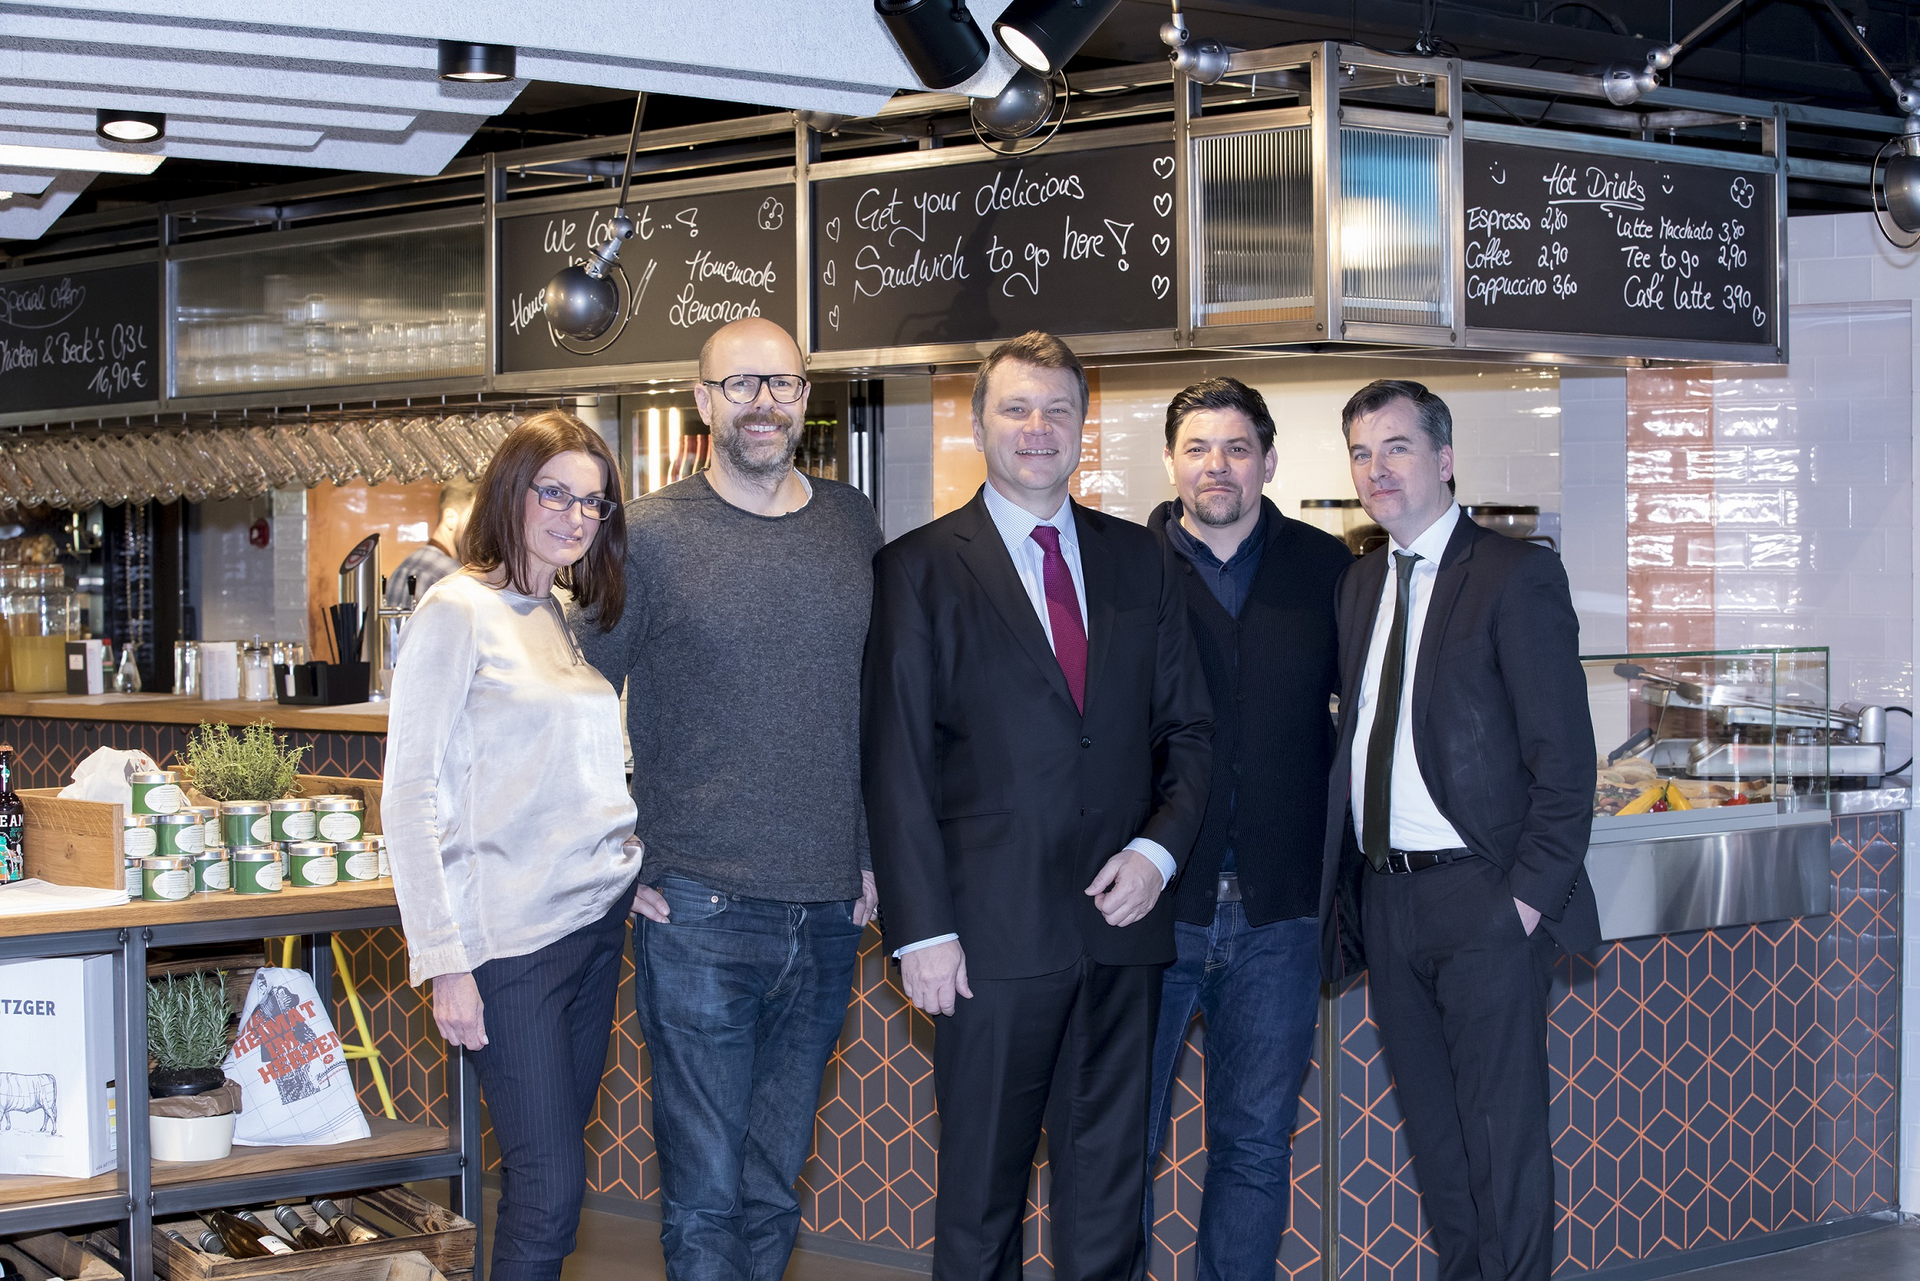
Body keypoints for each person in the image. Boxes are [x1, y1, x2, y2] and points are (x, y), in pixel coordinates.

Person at [864, 331, 1213, 1281]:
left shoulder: (1143, 559)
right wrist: (921, 930)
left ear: (1082, 426)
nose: (1038, 426)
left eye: (1059, 408)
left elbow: (1189, 732)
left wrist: (1158, 853)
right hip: (986, 941)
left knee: (1109, 1203)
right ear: (979, 423)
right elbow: (896, 762)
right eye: (1016, 407)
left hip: (1121, 927)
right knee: (981, 1204)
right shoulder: (917, 568)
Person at [574, 316, 882, 1281]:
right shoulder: (648, 535)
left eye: (781, 384)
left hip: (828, 907)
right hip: (700, 907)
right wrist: (619, 851)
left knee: (772, 1188)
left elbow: (876, 701)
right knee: (706, 1199)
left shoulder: (852, 522)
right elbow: (572, 700)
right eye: (740, 384)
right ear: (703, 400)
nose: (763, 403)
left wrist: (868, 854)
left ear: (805, 399)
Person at [1318, 380, 1598, 1281]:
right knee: (1439, 1147)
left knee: (1500, 1147)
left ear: (1444, 459)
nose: (1377, 469)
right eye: (1362, 453)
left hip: (1483, 899)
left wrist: (1523, 904)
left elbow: (1566, 763)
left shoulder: (1514, 575)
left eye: (1396, 447)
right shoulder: (1359, 583)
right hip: (1387, 900)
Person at [383, 410, 642, 1281]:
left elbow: (567, 773)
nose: (575, 516)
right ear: (511, 491)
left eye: (593, 502)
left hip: (591, 931)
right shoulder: (455, 610)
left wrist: (624, 866)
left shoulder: (557, 612)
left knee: (552, 1184)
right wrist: (443, 961)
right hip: (510, 946)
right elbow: (408, 795)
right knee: (548, 1190)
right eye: (554, 493)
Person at [1143, 377, 1350, 1278]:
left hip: (1281, 912)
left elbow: (1376, 712)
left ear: (1268, 461)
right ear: (1171, 461)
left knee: (1256, 1147)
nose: (1216, 465)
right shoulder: (1125, 569)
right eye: (1197, 447)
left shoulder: (1328, 568)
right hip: (1151, 909)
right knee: (1121, 1142)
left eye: (1236, 448)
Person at [385, 478, 475, 609]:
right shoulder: (452, 576)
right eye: (474, 519)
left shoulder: (405, 566)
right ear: (450, 518)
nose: (481, 529)